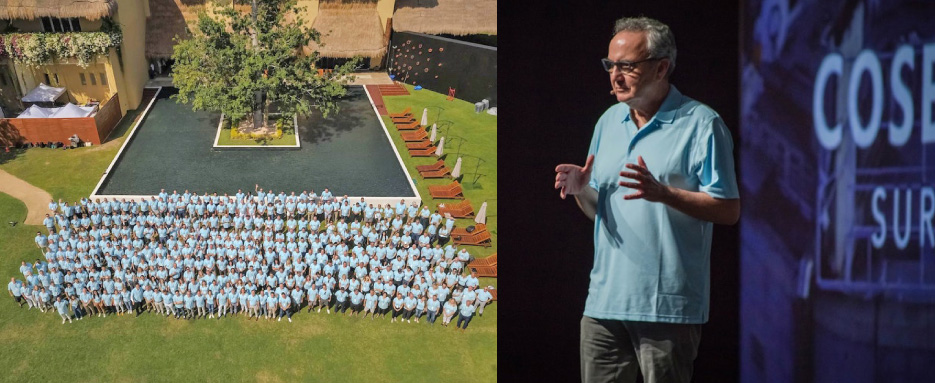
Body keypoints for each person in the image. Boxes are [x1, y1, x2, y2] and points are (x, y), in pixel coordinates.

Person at [552, 17, 740, 383]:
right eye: (610, 65)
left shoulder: (702, 124)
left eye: (627, 66)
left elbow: (729, 210)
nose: (615, 75)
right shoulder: (608, 122)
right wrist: (581, 191)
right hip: (604, 304)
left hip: (667, 308)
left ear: (661, 67)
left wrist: (663, 193)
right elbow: (601, 213)